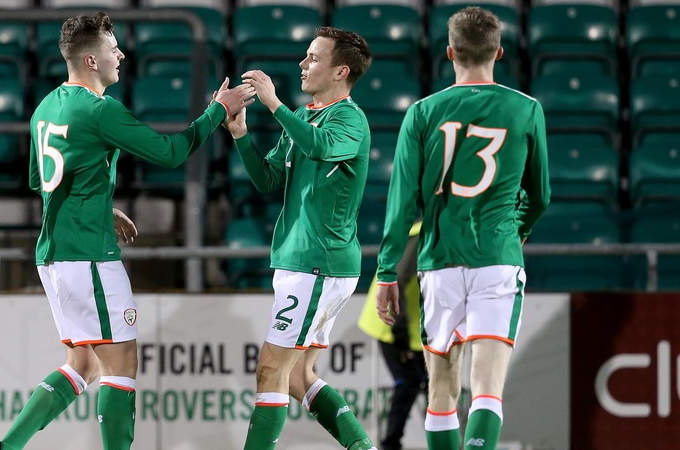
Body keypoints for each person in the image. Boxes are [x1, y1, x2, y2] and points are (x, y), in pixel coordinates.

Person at [0, 11, 255, 450]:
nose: (121, 54)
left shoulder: (45, 106)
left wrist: (99, 203)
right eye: (113, 48)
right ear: (92, 60)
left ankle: (5, 447)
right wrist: (216, 112)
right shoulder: (98, 110)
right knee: (120, 365)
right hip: (88, 253)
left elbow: (41, 181)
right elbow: (170, 153)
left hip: (52, 253)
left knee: (82, 363)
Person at [374, 7, 550, 450]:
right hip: (496, 259)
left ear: (449, 52)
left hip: (439, 263)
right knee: (487, 387)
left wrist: (386, 271)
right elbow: (541, 194)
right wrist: (517, 228)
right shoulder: (527, 109)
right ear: (500, 51)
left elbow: (401, 204)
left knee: (441, 392)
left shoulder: (421, 112)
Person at [223, 27, 376, 450]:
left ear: (341, 71)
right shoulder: (304, 115)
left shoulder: (349, 118)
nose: (302, 64)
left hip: (318, 262)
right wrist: (240, 135)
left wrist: (272, 104)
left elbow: (321, 148)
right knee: (296, 376)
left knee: (270, 370)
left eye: (313, 57)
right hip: (302, 261)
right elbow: (268, 179)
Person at [358, 222, 426, 450]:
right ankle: (390, 444)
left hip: (416, 328)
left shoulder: (439, 231)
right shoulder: (420, 237)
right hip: (391, 323)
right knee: (409, 381)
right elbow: (396, 279)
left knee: (434, 386)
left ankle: (441, 439)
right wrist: (401, 336)